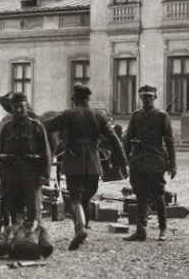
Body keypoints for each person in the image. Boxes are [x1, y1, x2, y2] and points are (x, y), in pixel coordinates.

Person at [44, 85, 128, 251]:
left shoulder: (69, 114)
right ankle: (84, 228)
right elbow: (114, 140)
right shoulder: (99, 115)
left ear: (75, 99)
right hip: (93, 162)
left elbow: (46, 126)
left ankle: (80, 228)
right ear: (88, 99)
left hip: (73, 160)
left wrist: (32, 122)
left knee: (75, 197)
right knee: (87, 197)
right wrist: (124, 163)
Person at [122, 85, 176, 242]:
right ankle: (141, 229)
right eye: (144, 97)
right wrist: (124, 159)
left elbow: (169, 141)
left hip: (156, 160)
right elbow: (128, 138)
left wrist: (173, 164)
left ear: (155, 98)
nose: (146, 99)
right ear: (140, 98)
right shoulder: (136, 115)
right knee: (140, 196)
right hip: (138, 160)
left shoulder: (162, 116)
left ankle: (163, 228)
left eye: (150, 97)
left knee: (158, 195)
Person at [0, 92, 51, 228]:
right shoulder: (6, 128)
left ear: (27, 107)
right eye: (15, 107)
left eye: (21, 106)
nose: (19, 110)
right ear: (12, 109)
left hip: (30, 176)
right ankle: (16, 236)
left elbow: (46, 153)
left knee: (32, 210)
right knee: (13, 208)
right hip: (11, 175)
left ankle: (30, 238)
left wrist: (45, 175)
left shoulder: (36, 127)